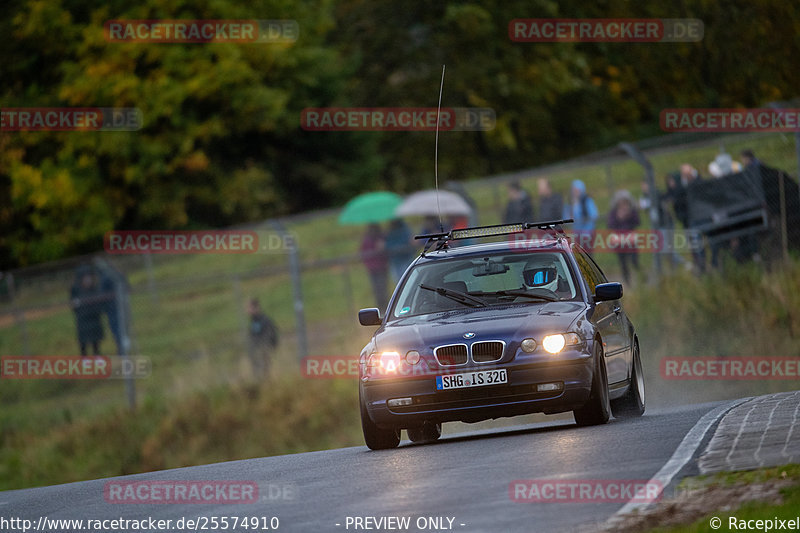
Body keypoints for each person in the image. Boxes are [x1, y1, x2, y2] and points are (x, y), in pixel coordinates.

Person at [70, 264, 105, 356]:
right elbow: (73, 304)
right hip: (83, 318)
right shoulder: (75, 289)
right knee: (83, 339)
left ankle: (96, 354)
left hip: (94, 316)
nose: (88, 280)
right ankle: (84, 356)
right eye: (85, 278)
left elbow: (100, 301)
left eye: (89, 277)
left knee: (95, 337)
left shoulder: (95, 288)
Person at [607, 190, 641, 285]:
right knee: (623, 263)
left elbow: (637, 222)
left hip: (630, 239)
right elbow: (610, 224)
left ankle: (641, 277)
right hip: (619, 240)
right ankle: (627, 281)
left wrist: (629, 215)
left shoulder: (632, 211)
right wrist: (619, 217)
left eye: (625, 202)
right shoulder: (614, 213)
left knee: (634, 261)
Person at [360, 223, 390, 310]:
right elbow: (363, 253)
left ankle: (385, 307)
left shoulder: (382, 238)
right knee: (377, 289)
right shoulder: (367, 240)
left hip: (381, 267)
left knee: (383, 288)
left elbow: (386, 252)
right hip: (373, 269)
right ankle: (380, 307)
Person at [247, 297, 279, 376]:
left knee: (264, 369)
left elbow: (271, 335)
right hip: (257, 350)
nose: (247, 310)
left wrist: (266, 347)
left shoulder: (264, 320)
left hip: (264, 349)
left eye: (249, 307)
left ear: (256, 308)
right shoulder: (254, 321)